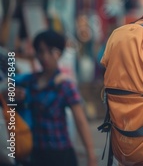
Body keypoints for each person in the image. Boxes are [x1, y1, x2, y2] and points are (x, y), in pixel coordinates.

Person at [15, 29, 97, 166]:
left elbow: (81, 121)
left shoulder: (65, 85)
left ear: (59, 53)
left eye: (50, 51)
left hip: (60, 154)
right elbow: (6, 89)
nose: (45, 57)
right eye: (41, 51)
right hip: (35, 154)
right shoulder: (28, 81)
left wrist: (91, 157)